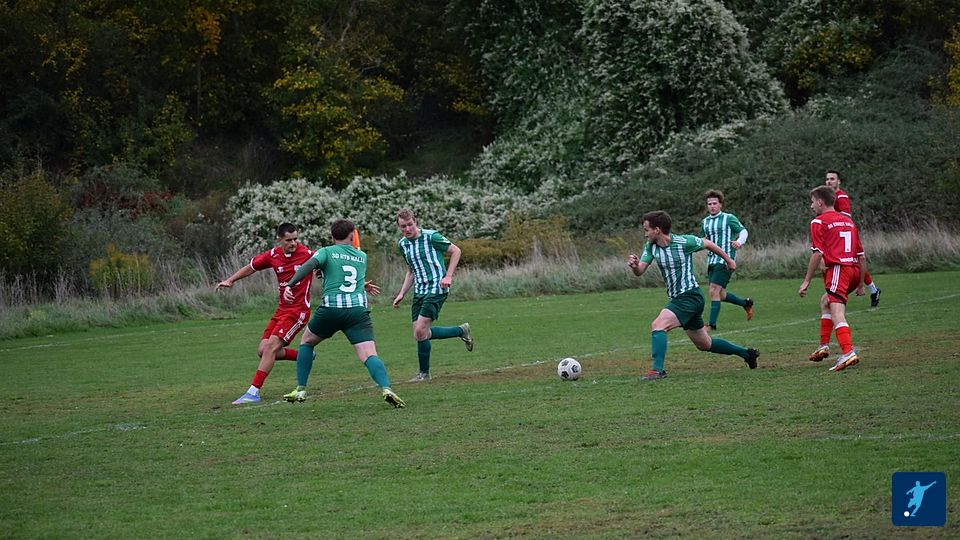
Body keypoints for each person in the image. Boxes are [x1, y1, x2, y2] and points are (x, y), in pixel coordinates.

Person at [280, 219, 405, 408]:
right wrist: (362, 286)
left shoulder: (326, 251)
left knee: (307, 342)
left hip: (331, 309)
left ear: (332, 236)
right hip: (357, 311)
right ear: (352, 236)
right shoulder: (361, 256)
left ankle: (301, 388)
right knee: (369, 354)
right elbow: (347, 277)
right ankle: (386, 388)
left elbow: (308, 266)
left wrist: (290, 285)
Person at [627, 210, 759, 380]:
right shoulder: (651, 246)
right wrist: (635, 266)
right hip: (680, 299)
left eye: (646, 230)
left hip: (690, 296)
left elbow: (708, 243)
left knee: (658, 325)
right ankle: (747, 354)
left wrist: (729, 260)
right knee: (705, 344)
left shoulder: (684, 242)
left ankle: (657, 371)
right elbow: (640, 271)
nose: (645, 234)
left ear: (657, 230)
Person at [216, 223, 314, 405]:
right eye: (289, 240)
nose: (293, 243)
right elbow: (251, 267)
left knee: (270, 348)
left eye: (295, 239)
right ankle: (305, 356)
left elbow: (330, 266)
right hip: (281, 310)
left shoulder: (308, 255)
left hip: (298, 311)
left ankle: (253, 392)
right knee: (263, 350)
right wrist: (230, 280)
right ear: (280, 239)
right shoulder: (273, 255)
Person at [392, 208, 473, 382]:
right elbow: (411, 271)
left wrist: (448, 276)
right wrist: (401, 293)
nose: (407, 229)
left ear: (415, 222)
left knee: (420, 330)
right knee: (420, 334)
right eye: (403, 226)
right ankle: (461, 330)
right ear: (399, 227)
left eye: (410, 224)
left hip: (437, 288)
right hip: (419, 291)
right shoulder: (403, 244)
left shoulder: (431, 237)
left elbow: (456, 251)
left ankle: (424, 374)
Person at [798, 185, 867, 372]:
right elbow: (861, 256)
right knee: (826, 301)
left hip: (838, 269)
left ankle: (848, 352)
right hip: (854, 270)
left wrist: (807, 280)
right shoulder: (848, 221)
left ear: (820, 202)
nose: (811, 206)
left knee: (837, 312)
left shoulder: (818, 222)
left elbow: (817, 253)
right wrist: (861, 283)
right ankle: (823, 346)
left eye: (812, 202)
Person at [825, 169, 882, 307]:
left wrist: (831, 219)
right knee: (852, 262)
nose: (829, 181)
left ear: (839, 181)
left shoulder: (841, 196)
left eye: (832, 179)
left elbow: (846, 216)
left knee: (855, 261)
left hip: (846, 233)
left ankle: (840, 293)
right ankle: (873, 290)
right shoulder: (829, 197)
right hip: (838, 234)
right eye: (827, 179)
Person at [700, 189, 753, 330]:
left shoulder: (728, 218)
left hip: (725, 261)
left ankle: (711, 325)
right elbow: (703, 240)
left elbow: (743, 231)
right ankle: (746, 303)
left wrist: (739, 242)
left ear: (720, 204)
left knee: (713, 291)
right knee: (721, 294)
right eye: (709, 204)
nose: (712, 206)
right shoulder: (705, 222)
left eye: (714, 203)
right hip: (711, 261)